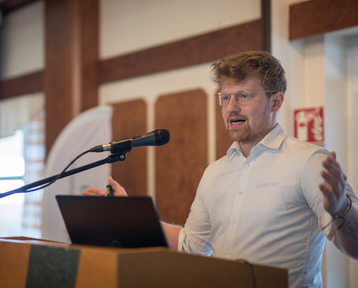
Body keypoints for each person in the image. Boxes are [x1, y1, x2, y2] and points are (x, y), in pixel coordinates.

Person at [83, 51, 358, 288]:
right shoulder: (215, 172)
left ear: (276, 102)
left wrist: (342, 209)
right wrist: (131, 214)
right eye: (225, 98)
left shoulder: (310, 162)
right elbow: (191, 245)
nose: (231, 108)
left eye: (244, 96)